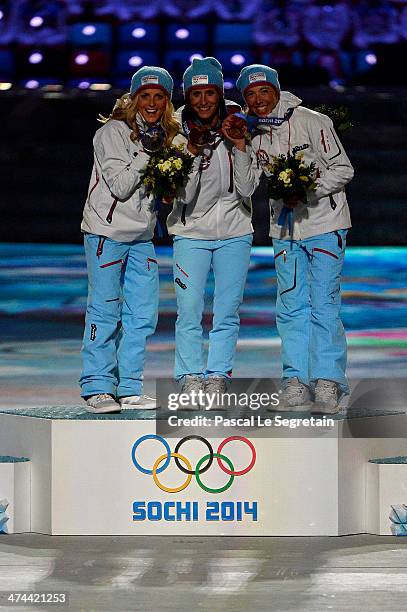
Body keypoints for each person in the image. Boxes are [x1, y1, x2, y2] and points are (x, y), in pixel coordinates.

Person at [223, 64, 354, 414]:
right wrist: (239, 146)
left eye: (263, 91)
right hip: (284, 232)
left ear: (276, 90)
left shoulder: (313, 121)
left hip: (325, 224)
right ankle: (295, 380)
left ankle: (328, 382)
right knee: (291, 306)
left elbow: (343, 169)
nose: (257, 99)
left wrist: (306, 189)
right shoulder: (252, 132)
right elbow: (247, 187)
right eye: (249, 95)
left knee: (324, 304)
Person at [80, 66, 178, 413]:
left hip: (142, 237)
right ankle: (97, 386)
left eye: (159, 97)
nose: (151, 103)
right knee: (105, 309)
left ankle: (129, 387)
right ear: (133, 98)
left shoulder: (166, 135)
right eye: (145, 96)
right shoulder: (112, 133)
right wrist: (147, 152)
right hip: (106, 232)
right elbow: (121, 187)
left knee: (142, 315)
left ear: (167, 101)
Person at [167, 57, 253, 407]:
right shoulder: (175, 135)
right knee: (188, 310)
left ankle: (218, 375)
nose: (203, 101)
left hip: (235, 233)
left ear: (219, 94)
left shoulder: (238, 127)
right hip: (191, 235)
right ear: (188, 96)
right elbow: (184, 195)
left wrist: (241, 146)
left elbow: (247, 189)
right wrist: (192, 150)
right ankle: (190, 377)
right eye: (196, 94)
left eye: (210, 93)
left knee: (227, 310)